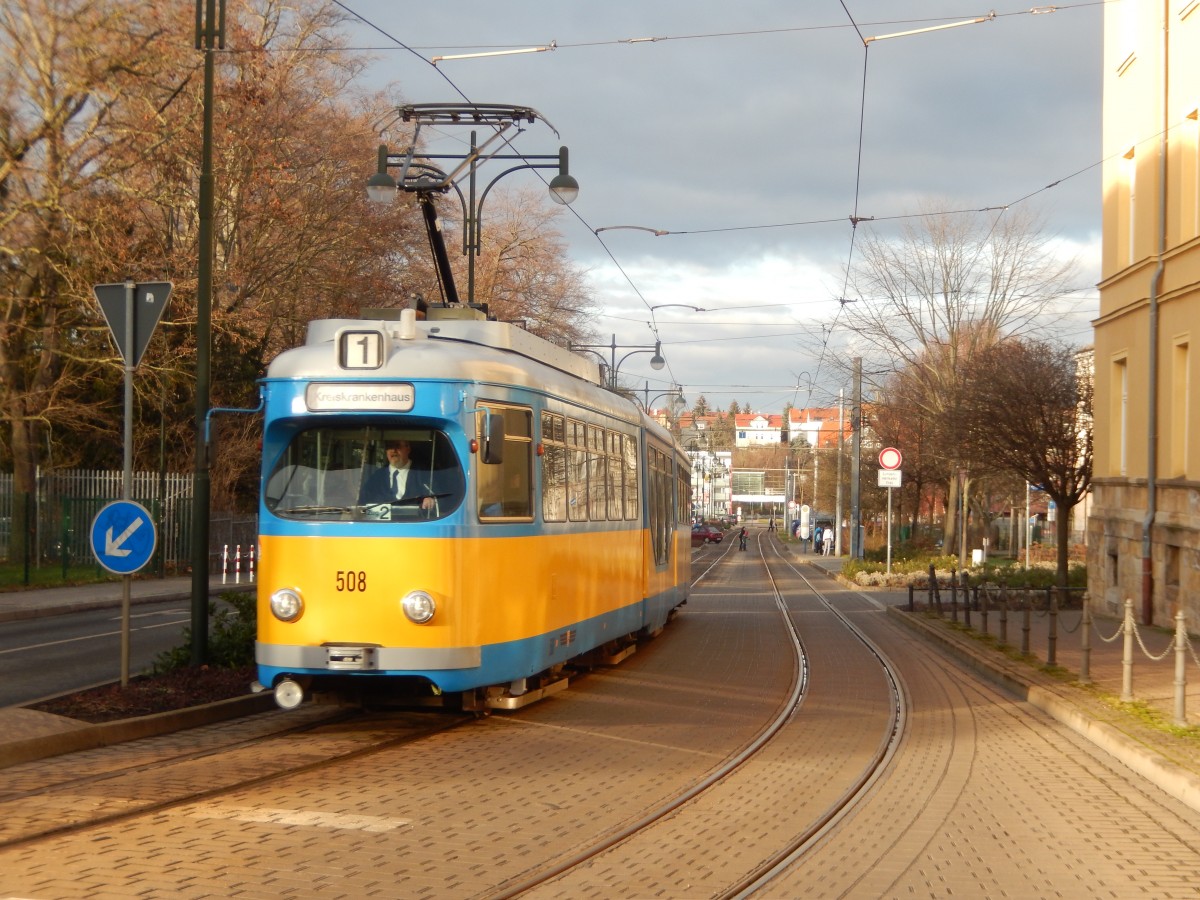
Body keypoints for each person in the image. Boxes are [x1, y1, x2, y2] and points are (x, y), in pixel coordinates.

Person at [358, 439, 436, 510]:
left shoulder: (425, 473)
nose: (393, 451)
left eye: (397, 446)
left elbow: (440, 500)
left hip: (415, 523)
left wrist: (429, 499)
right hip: (382, 524)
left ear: (408, 448)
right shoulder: (376, 477)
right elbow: (362, 503)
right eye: (390, 447)